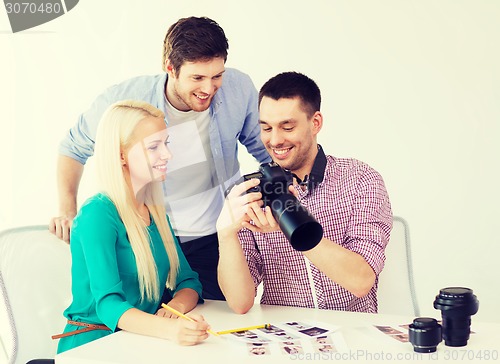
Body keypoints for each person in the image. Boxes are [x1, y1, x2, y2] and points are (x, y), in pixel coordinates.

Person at [49, 16, 270, 300]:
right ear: (171, 69)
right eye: (197, 78)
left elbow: (265, 149)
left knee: (213, 324)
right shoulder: (125, 100)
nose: (209, 88)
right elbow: (73, 148)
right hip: (145, 236)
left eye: (217, 76)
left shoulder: (238, 88)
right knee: (144, 326)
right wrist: (67, 210)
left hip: (209, 237)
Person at [217, 72, 392, 314]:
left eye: (287, 127)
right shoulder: (250, 193)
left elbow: (361, 281)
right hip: (282, 337)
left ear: (315, 123)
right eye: (266, 128)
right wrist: (225, 234)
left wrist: (295, 228)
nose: (275, 140)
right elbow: (240, 303)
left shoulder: (361, 179)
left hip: (351, 333)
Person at [55, 100, 210, 353]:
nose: (167, 155)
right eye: (154, 146)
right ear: (121, 155)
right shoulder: (98, 213)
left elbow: (189, 281)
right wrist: (171, 330)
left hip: (140, 342)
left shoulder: (156, 213)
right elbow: (108, 304)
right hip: (93, 348)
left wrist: (177, 310)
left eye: (166, 143)